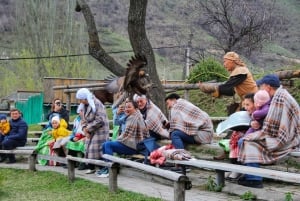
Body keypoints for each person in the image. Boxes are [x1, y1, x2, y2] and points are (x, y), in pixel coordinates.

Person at [238, 74, 300, 188]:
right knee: (246, 140)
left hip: (287, 139)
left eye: (261, 86)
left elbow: (272, 128)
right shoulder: (279, 95)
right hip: (289, 135)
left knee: (248, 142)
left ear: (267, 87)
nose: (259, 89)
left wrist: (255, 134)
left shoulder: (280, 98)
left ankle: (254, 179)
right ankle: (249, 174)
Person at [199, 51, 258, 160]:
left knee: (240, 127)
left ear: (232, 61)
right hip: (246, 102)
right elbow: (231, 90)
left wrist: (211, 88)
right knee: (235, 127)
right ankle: (229, 152)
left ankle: (238, 154)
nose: (224, 64)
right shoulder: (237, 73)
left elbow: (227, 87)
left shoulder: (241, 71)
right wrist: (215, 92)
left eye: (225, 61)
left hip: (253, 104)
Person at [99, 99, 150, 178]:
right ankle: (106, 167)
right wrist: (117, 113)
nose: (126, 109)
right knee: (104, 144)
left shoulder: (134, 117)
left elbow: (127, 136)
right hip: (129, 143)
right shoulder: (130, 116)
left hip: (134, 146)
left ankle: (111, 169)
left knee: (108, 145)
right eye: (126, 107)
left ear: (135, 108)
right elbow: (116, 122)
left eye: (129, 107)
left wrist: (116, 140)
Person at [76, 88, 110, 174]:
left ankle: (101, 167)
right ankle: (91, 167)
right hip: (90, 130)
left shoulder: (97, 104)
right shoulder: (83, 106)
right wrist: (84, 129)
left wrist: (88, 128)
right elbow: (82, 119)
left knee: (94, 149)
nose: (80, 101)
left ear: (85, 98)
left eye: (81, 99)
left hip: (100, 130)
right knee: (87, 148)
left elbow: (100, 120)